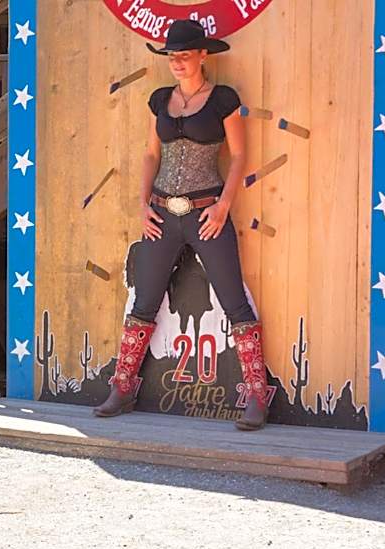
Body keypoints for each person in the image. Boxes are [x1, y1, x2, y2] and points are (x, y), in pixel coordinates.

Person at [94, 19, 269, 431]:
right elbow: (150, 156)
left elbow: (238, 156)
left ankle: (257, 396)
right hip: (161, 213)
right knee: (144, 300)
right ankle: (123, 387)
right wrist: (142, 206)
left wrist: (224, 206)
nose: (177, 62)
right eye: (172, 56)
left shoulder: (223, 99)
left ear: (203, 55)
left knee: (234, 300)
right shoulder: (160, 100)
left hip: (206, 212)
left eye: (185, 55)